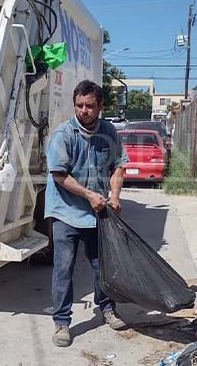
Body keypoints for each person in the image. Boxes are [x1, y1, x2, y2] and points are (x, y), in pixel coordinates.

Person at [44, 80, 130, 347]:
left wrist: (114, 196)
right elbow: (59, 175)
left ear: (100, 107)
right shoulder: (64, 134)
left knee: (102, 266)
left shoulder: (108, 132)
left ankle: (107, 309)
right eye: (79, 105)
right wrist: (90, 195)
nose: (84, 110)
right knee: (63, 269)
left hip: (97, 213)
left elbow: (118, 166)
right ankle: (61, 323)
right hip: (66, 212)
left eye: (90, 106)